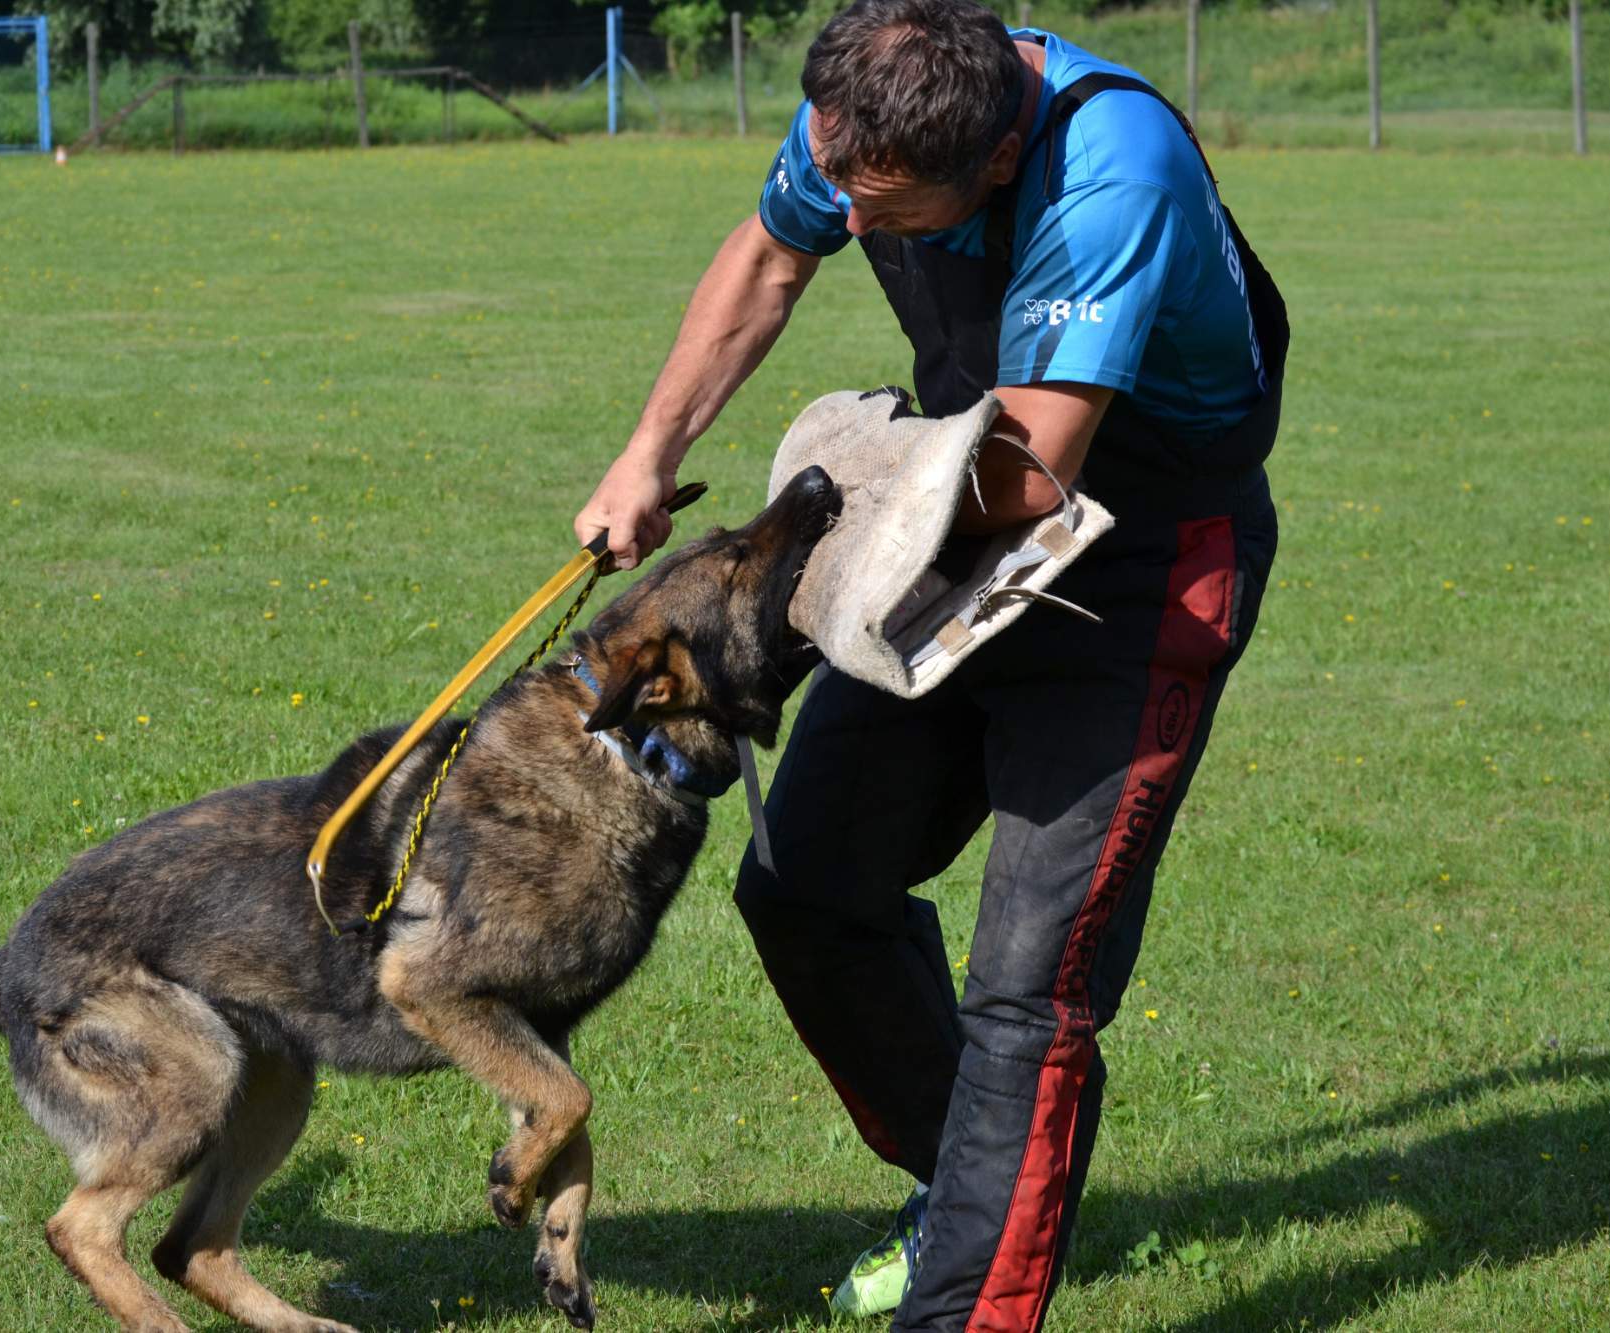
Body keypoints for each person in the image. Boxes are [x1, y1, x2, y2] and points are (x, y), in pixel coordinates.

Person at [573, 0, 1288, 1328]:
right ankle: (964, 1190)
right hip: (952, 518)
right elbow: (769, 256)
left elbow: (1029, 472)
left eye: (884, 209)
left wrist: (803, 545)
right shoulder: (869, 109)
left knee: (1030, 986)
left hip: (1135, 565)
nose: (846, 220)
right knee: (807, 884)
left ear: (996, 162)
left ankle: (966, 1301)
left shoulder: (1112, 166)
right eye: (837, 179)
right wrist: (648, 455)